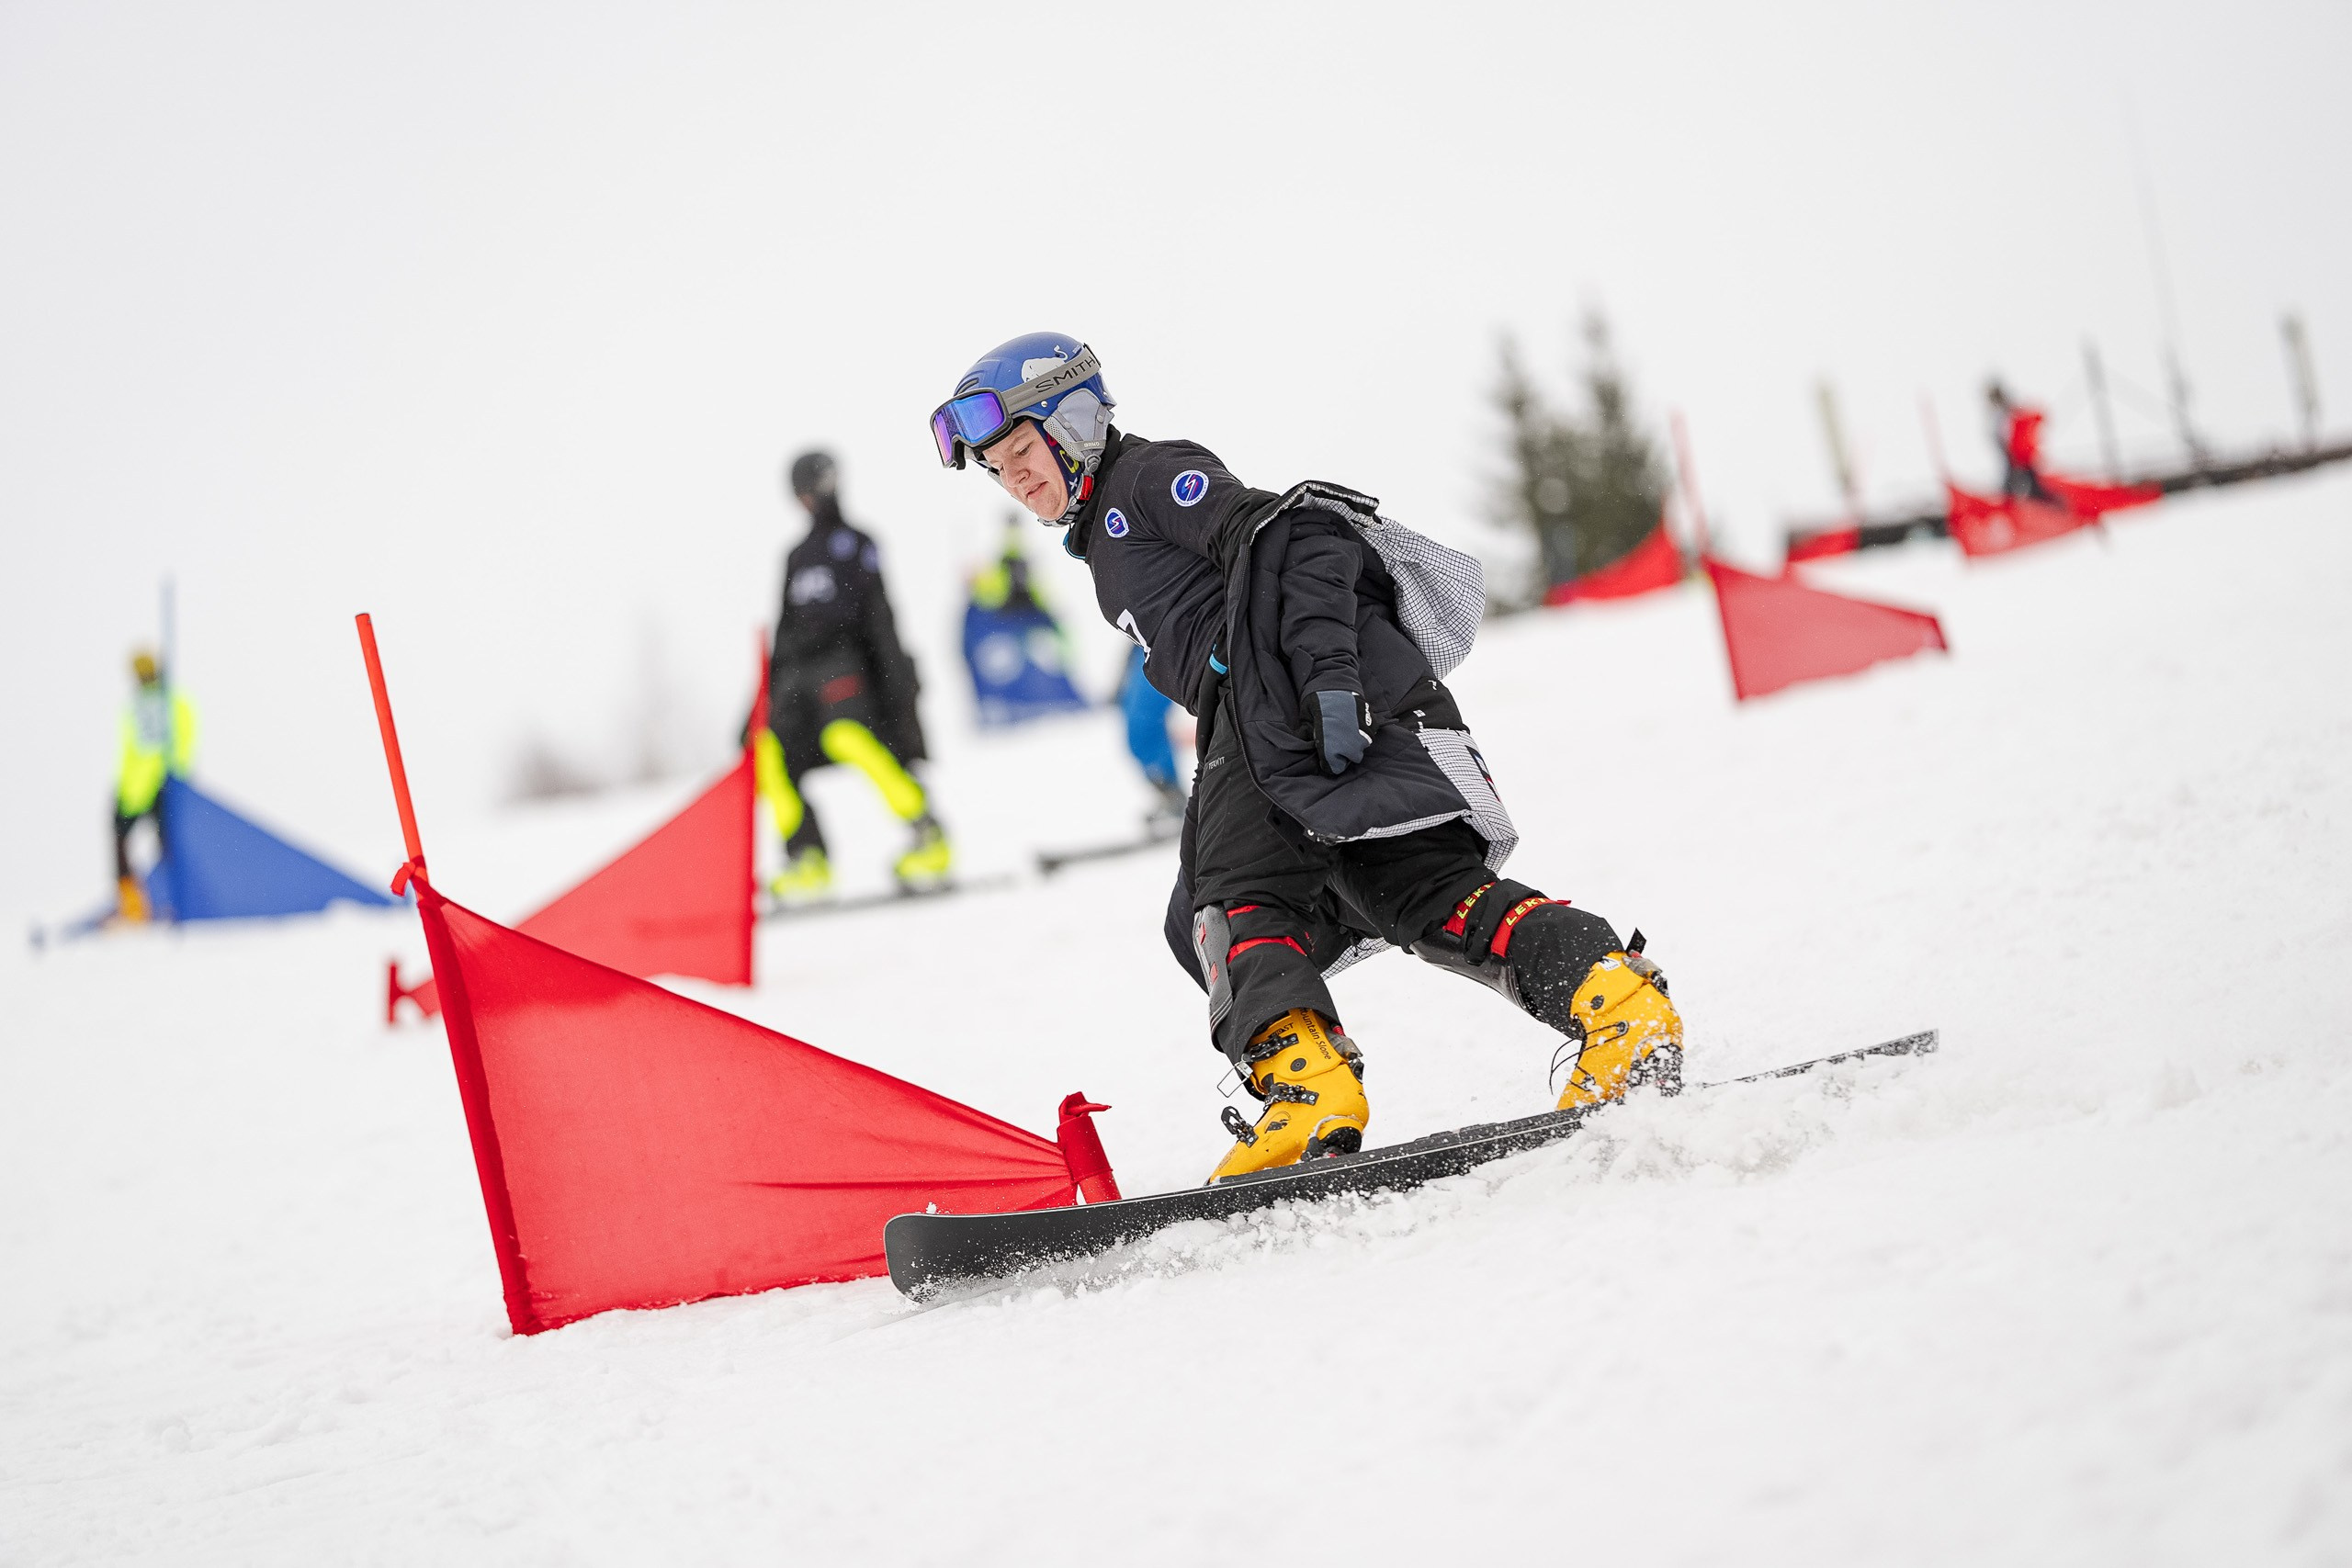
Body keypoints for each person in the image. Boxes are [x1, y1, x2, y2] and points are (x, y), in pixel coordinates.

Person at [931, 333, 1682, 1181]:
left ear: (1071, 423)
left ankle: (1309, 1094)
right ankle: (1616, 1000)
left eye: (1022, 449)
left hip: (1290, 709)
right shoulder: (1104, 542)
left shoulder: (1144, 480)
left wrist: (1328, 683)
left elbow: (1304, 533)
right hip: (1310, 711)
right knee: (1413, 889)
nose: (1014, 478)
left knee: (1223, 904)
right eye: (995, 468)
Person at [759, 449, 949, 898]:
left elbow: (879, 614)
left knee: (847, 737)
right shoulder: (796, 557)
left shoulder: (858, 543)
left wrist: (897, 677)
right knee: (769, 751)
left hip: (850, 671)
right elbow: (783, 632)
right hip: (798, 683)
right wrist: (758, 700)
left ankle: (929, 835)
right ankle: (808, 860)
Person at [113, 649, 196, 922]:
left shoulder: (169, 701)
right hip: (137, 788)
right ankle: (134, 904)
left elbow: (183, 740)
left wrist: (177, 777)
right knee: (125, 841)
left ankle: (172, 898)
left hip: (158, 783)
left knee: (166, 842)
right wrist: (125, 787)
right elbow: (129, 751)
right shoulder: (140, 705)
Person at [1985, 380, 2054, 502]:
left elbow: (2033, 417)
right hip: (2018, 454)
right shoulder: (2006, 414)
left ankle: (2036, 502)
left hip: (2022, 454)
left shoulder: (2012, 413)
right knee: (2020, 479)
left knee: (2026, 480)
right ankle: (2016, 501)